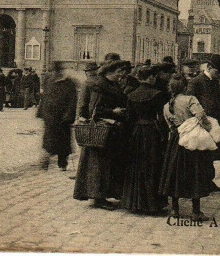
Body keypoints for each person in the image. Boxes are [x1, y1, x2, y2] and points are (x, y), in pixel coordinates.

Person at [73, 60, 130, 210]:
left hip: (109, 132)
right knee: (98, 166)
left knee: (107, 165)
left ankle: (106, 194)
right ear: (109, 71)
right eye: (119, 72)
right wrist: (113, 112)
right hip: (100, 131)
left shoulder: (112, 84)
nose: (121, 75)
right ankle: (98, 198)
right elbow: (94, 110)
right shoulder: (99, 86)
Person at [159, 74, 214, 221]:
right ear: (185, 87)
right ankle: (196, 211)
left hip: (176, 140)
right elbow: (201, 116)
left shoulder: (167, 105)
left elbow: (170, 125)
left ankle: (175, 209)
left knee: (175, 172)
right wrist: (209, 129)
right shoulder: (191, 100)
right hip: (192, 140)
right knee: (194, 172)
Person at [120, 65, 170, 214]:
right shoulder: (157, 94)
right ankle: (152, 204)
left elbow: (128, 118)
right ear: (150, 78)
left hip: (137, 132)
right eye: (154, 77)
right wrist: (164, 134)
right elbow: (162, 118)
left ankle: (135, 203)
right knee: (152, 166)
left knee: (136, 166)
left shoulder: (131, 94)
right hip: (152, 132)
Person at [187, 54, 220, 192]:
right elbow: (191, 102)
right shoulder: (196, 82)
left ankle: (208, 181)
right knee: (202, 154)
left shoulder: (214, 81)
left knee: (211, 153)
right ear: (209, 67)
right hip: (204, 123)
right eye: (218, 71)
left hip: (215, 123)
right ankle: (200, 183)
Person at [39, 61, 78, 171]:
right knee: (48, 141)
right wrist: (41, 112)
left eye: (56, 71)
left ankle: (62, 163)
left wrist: (69, 116)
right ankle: (45, 160)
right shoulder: (50, 81)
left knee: (63, 142)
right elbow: (44, 98)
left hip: (63, 118)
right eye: (52, 71)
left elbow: (72, 101)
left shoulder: (68, 83)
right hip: (50, 117)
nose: (54, 73)